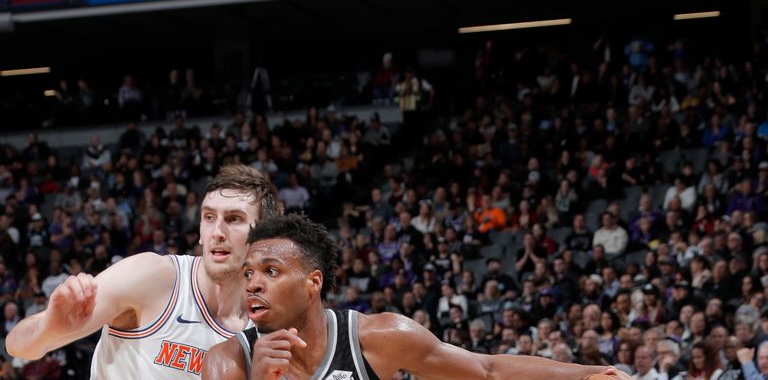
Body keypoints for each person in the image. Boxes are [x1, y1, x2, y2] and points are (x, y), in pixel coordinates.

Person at [201, 214, 631, 380]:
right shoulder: (227, 364)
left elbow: (488, 369)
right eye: (248, 273)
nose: (253, 284)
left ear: (314, 282)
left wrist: (590, 374)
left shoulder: (377, 338)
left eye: (271, 272)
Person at [6, 165, 282, 378]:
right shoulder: (153, 278)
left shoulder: (269, 328)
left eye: (233, 219)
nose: (217, 232)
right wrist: (47, 328)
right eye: (209, 217)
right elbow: (18, 345)